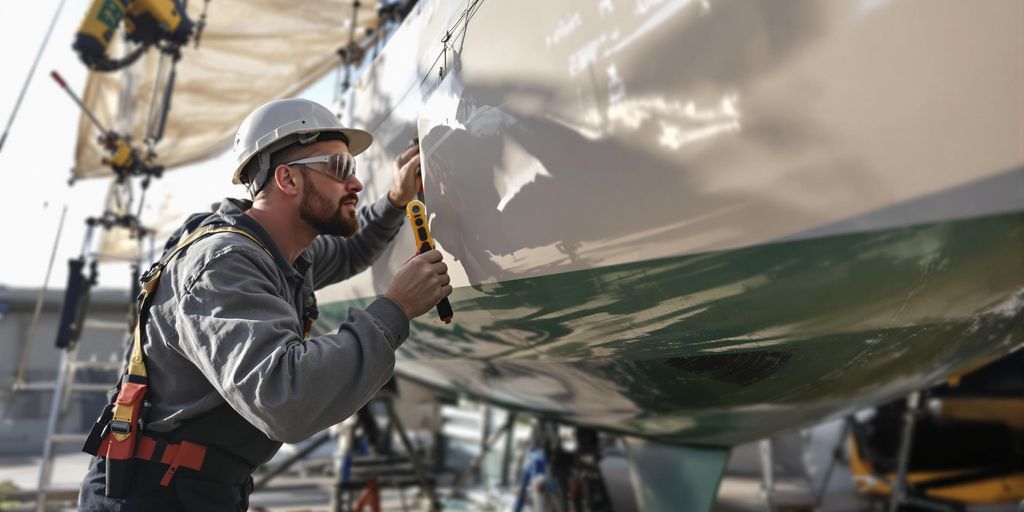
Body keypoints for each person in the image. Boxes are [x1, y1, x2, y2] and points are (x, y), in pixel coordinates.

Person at [78, 98, 452, 510]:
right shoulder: (223, 264)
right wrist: (394, 310)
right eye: (340, 168)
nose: (357, 184)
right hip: (151, 495)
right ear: (287, 180)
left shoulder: (285, 253)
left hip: (198, 487)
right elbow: (286, 399)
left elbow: (351, 253)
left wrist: (397, 199)